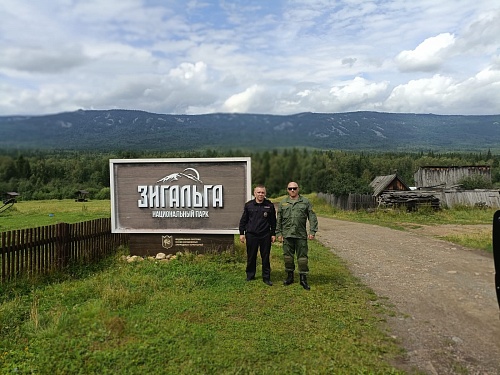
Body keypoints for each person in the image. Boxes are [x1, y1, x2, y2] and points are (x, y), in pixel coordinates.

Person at [276, 182, 318, 290]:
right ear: (287, 190)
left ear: (298, 189)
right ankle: (290, 277)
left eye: (294, 188)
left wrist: (312, 231)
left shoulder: (305, 202)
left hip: (300, 235)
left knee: (302, 258)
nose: (292, 190)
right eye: (290, 188)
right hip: (287, 235)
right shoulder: (283, 203)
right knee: (288, 258)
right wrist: (278, 233)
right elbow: (279, 220)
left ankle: (303, 279)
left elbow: (312, 217)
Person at [239, 184, 277, 286]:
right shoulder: (249, 205)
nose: (260, 194)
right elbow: (243, 220)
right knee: (251, 256)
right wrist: (241, 233)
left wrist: (273, 234)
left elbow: (273, 221)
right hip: (251, 235)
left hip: (265, 235)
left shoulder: (269, 205)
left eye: (262, 192)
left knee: (265, 257)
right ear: (254, 193)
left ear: (265, 194)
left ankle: (266, 277)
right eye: (258, 192)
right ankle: (250, 275)